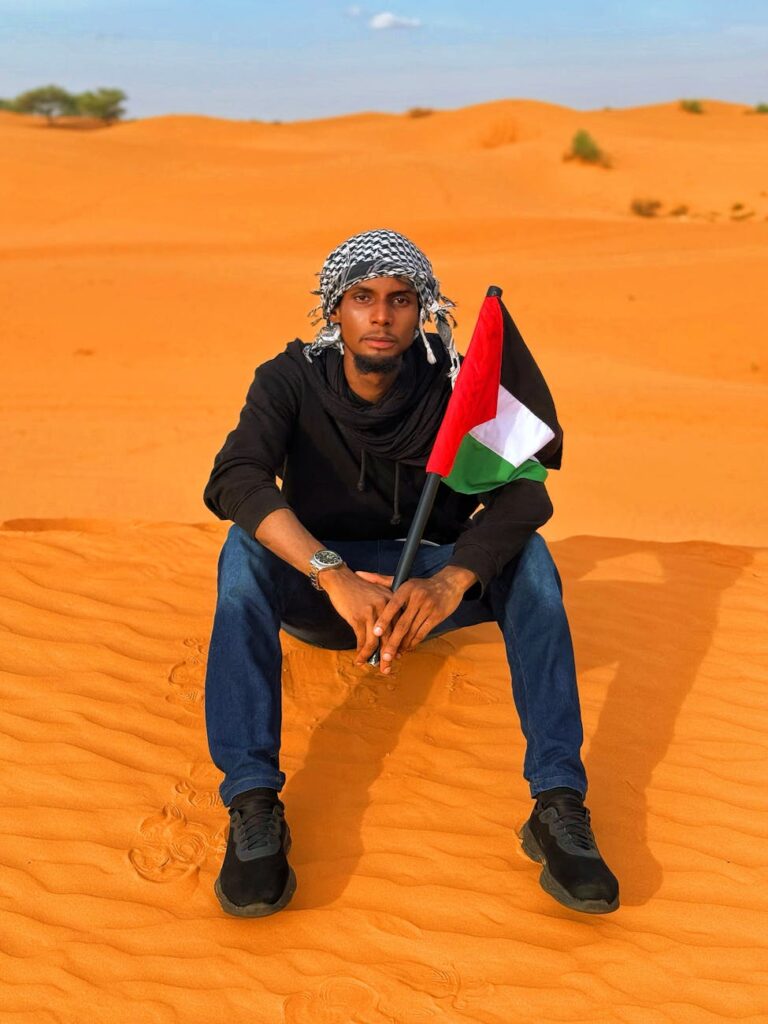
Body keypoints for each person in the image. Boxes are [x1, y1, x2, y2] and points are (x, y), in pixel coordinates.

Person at [202, 228, 619, 919]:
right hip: (324, 591)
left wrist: (451, 579)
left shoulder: (461, 385)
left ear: (422, 310)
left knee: (532, 561)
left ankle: (558, 803)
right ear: (334, 309)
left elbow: (527, 492)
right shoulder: (289, 378)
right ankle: (252, 806)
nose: (381, 315)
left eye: (400, 299)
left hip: (428, 584)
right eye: (362, 297)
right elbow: (236, 478)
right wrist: (332, 574)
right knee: (242, 553)